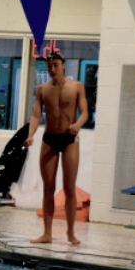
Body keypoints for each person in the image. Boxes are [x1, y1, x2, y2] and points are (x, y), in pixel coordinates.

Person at [24, 52, 88, 245]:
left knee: (69, 188)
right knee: (48, 188)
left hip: (69, 139)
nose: (52, 69)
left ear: (63, 66)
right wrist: (30, 134)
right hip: (49, 138)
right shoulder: (42, 89)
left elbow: (85, 112)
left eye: (55, 65)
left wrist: (77, 124)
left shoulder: (77, 87)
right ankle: (47, 234)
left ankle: (70, 233)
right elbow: (36, 116)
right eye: (49, 66)